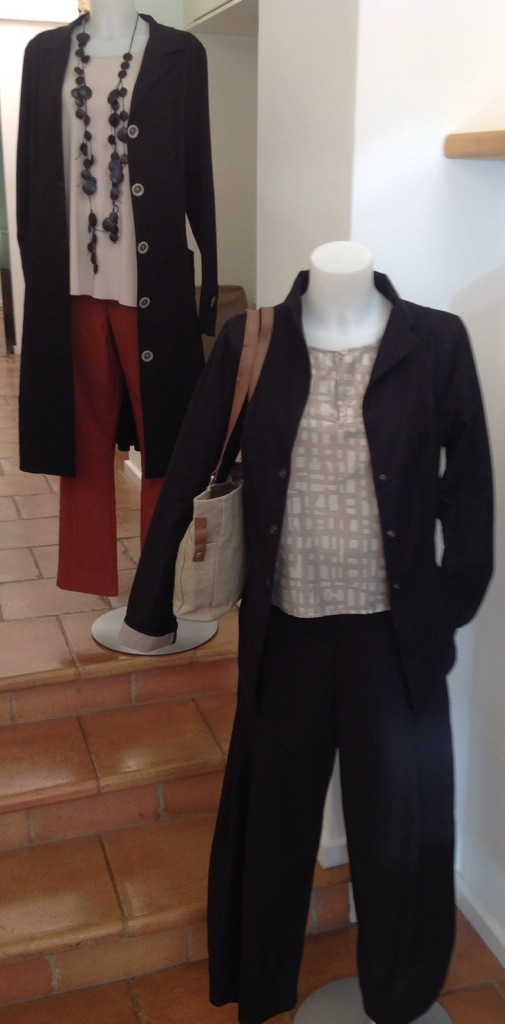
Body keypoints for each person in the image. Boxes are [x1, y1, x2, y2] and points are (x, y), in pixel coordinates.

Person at [119, 241, 494, 1023]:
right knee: (272, 822)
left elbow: (469, 486)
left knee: (401, 824)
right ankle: (261, 985)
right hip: (285, 634)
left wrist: (448, 604)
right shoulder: (250, 340)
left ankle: (399, 993)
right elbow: (191, 466)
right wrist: (151, 605)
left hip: (395, 643)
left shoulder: (435, 342)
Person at [16, 0, 217, 595]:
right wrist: (36, 274)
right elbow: (30, 173)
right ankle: (86, 572)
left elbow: (197, 171)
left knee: (166, 434)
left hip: (151, 283)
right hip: (70, 282)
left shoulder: (182, 53)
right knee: (79, 435)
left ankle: (162, 584)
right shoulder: (43, 54)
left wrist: (207, 283)